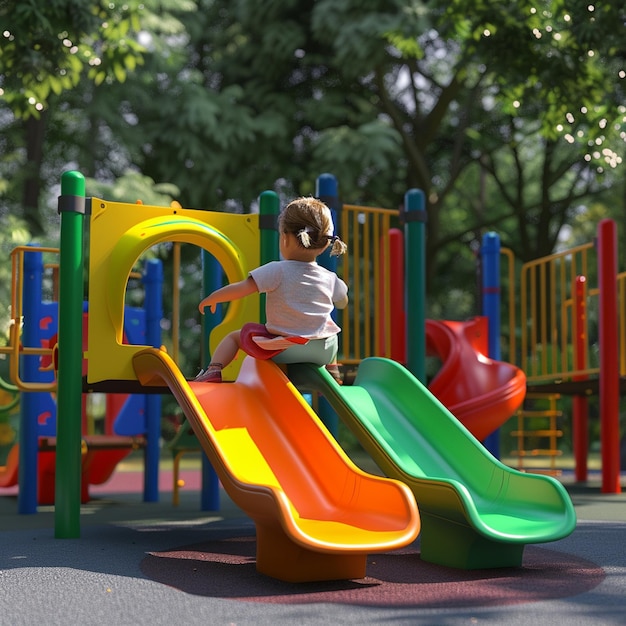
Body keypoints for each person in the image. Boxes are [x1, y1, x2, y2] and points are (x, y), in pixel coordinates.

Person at [195, 196, 349, 383]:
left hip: (284, 349)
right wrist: (338, 300)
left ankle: (213, 370)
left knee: (234, 337)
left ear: (284, 238)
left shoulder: (277, 270)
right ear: (325, 243)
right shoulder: (330, 278)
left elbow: (242, 289)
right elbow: (342, 301)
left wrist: (214, 297)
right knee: (331, 329)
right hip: (323, 351)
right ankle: (333, 370)